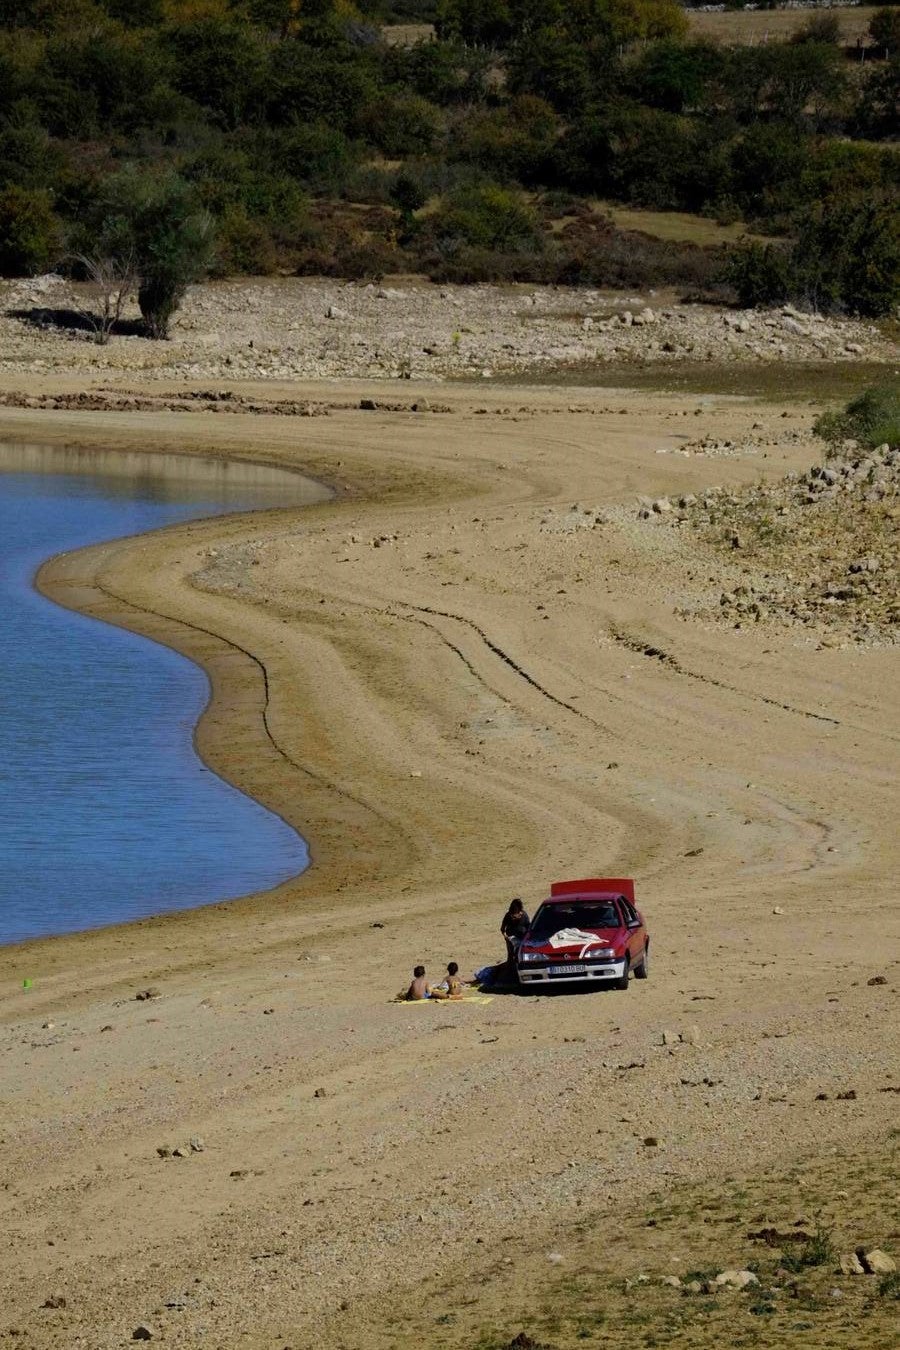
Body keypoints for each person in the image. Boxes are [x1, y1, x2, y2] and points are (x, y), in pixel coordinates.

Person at [501, 897, 530, 973]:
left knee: (520, 954)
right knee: (511, 955)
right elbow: (502, 928)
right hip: (511, 938)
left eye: (517, 906)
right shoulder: (508, 915)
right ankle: (510, 972)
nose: (515, 908)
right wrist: (505, 936)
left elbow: (528, 926)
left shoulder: (524, 914)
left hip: (522, 938)